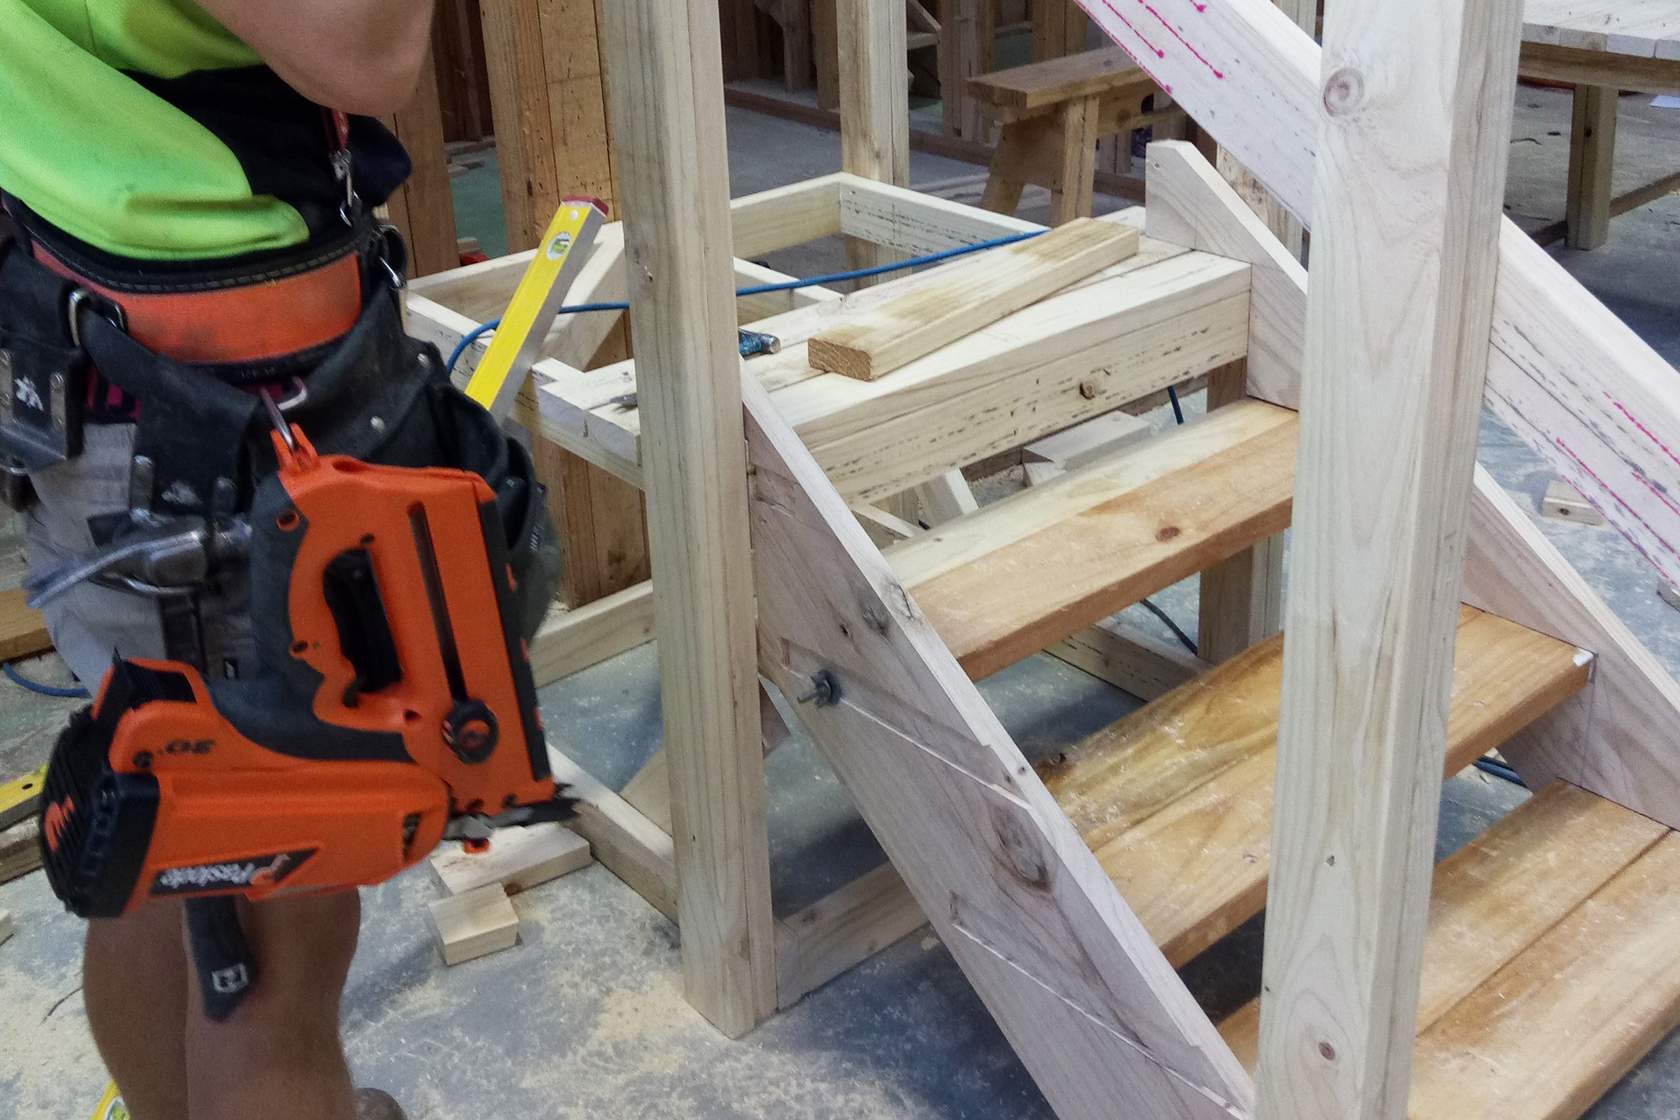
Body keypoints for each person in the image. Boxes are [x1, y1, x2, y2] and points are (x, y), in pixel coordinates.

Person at [0, 2, 441, 1117]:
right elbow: (363, 47)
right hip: (215, 392)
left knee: (160, 820)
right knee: (276, 933)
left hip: (77, 324)